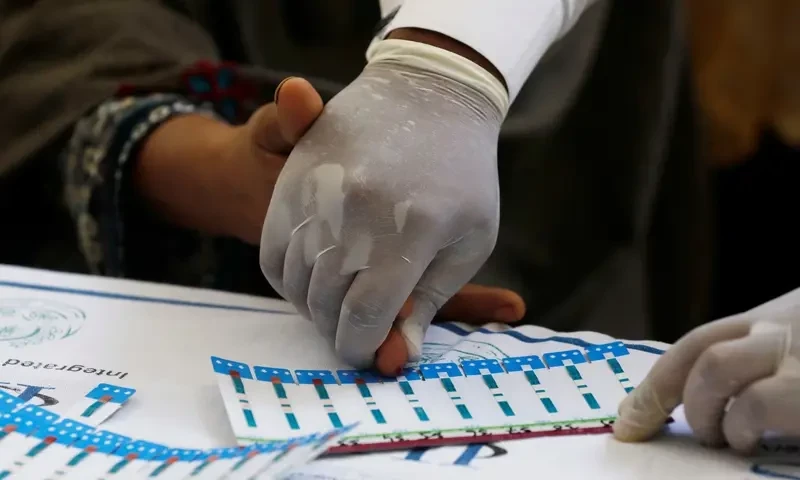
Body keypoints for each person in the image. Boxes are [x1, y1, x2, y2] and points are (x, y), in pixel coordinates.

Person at [5, 0, 782, 451]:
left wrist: (446, 66)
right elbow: (53, 34)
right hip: (146, 277)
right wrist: (218, 172)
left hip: (549, 192)